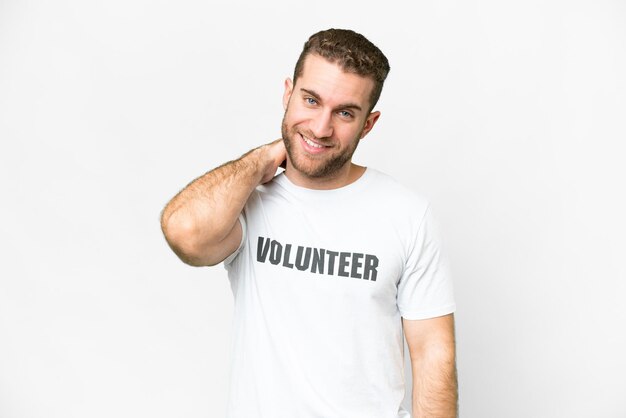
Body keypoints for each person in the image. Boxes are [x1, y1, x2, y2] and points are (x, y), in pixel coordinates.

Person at [160, 28, 457, 418]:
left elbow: (434, 355)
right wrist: (264, 158)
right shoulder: (249, 201)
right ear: (288, 93)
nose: (320, 127)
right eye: (311, 100)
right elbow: (185, 234)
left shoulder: (407, 214)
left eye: (345, 112)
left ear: (368, 124)